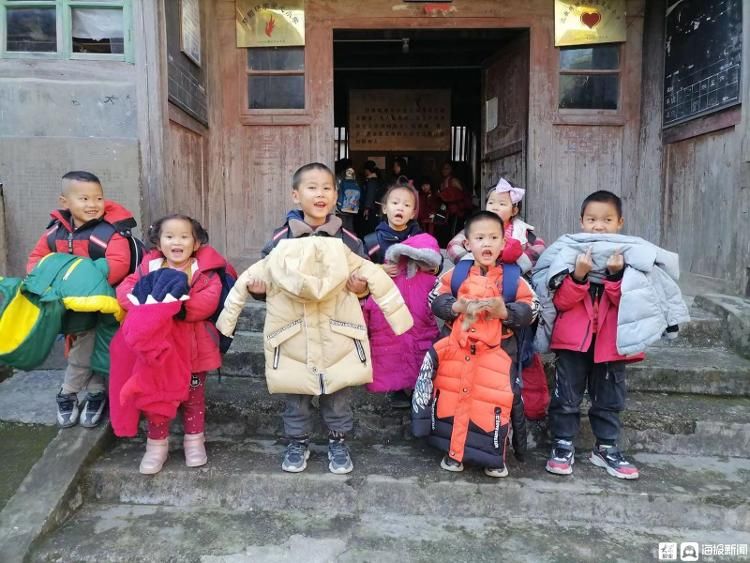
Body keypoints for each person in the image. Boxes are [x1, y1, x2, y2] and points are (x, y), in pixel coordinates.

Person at [216, 162, 413, 475]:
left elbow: (367, 278)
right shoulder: (280, 240)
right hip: (294, 332)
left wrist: (361, 292)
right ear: (296, 195)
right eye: (311, 187)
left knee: (338, 395)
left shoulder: (349, 239)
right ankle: (298, 441)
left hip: (337, 332)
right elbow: (264, 279)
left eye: (326, 188)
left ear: (336, 195)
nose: (319, 194)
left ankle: (338, 441)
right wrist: (257, 293)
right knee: (296, 394)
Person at [534, 190, 688, 480]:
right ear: (581, 221)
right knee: (566, 397)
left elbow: (633, 303)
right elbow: (560, 302)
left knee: (609, 399)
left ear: (620, 222)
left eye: (606, 219)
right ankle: (562, 444)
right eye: (592, 219)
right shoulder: (569, 254)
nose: (599, 226)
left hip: (611, 343)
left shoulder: (628, 257)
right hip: (573, 343)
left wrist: (616, 277)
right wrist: (579, 276)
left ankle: (606, 448)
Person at [412, 211, 536, 478]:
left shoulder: (513, 278)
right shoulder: (456, 274)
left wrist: (506, 312)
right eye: (480, 238)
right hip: (456, 348)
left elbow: (532, 308)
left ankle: (494, 457)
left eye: (494, 238)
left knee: (494, 402)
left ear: (504, 243)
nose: (487, 244)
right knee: (452, 396)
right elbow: (435, 298)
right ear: (468, 244)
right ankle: (453, 452)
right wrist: (455, 306)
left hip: (498, 352)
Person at [111, 214, 230, 475]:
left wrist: (168, 307)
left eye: (184, 236)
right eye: (169, 236)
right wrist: (151, 305)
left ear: (196, 243)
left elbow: (207, 302)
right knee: (156, 396)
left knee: (194, 398)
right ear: (158, 242)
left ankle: (195, 442)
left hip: (194, 350)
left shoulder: (204, 272)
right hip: (159, 352)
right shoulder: (147, 268)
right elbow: (125, 293)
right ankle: (156, 445)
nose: (177, 242)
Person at [26, 170, 139, 429]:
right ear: (65, 202)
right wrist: (53, 283)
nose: (93, 205)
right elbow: (36, 261)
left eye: (98, 198)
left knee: (96, 345)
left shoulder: (112, 232)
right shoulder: (54, 232)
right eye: (84, 199)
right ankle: (93, 392)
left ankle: (74, 391)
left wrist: (78, 278)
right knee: (80, 344)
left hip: (104, 303)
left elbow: (118, 264)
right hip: (67, 304)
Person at [447, 178, 550, 423]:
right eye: (491, 201)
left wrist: (510, 262)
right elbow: (452, 247)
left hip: (511, 293)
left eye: (501, 203)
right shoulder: (475, 227)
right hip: (476, 294)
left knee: (520, 349)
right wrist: (475, 257)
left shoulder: (526, 232)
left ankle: (525, 405)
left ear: (514, 210)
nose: (494, 206)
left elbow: (538, 251)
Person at [363, 233, 441, 408]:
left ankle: (416, 389)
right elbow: (369, 304)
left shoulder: (431, 281)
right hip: (390, 331)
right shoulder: (384, 279)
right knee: (392, 361)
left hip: (421, 331)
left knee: (421, 362)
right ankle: (397, 390)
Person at [363, 183, 423, 266]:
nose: (400, 208)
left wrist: (429, 267)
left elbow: (437, 263)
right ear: (384, 208)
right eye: (395, 203)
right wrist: (380, 268)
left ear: (413, 214)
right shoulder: (373, 242)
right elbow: (362, 268)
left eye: (406, 205)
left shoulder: (420, 239)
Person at [360, 160, 385, 235]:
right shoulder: (379, 180)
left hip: (372, 208)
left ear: (367, 170)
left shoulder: (371, 181)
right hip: (378, 207)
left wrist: (367, 208)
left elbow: (370, 195)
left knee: (370, 227)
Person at [336, 167, 362, 233]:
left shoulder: (341, 182)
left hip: (342, 207)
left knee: (343, 225)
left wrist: (338, 204)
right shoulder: (356, 183)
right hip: (353, 207)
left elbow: (340, 194)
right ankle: (352, 239)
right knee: (350, 225)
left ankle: (344, 240)